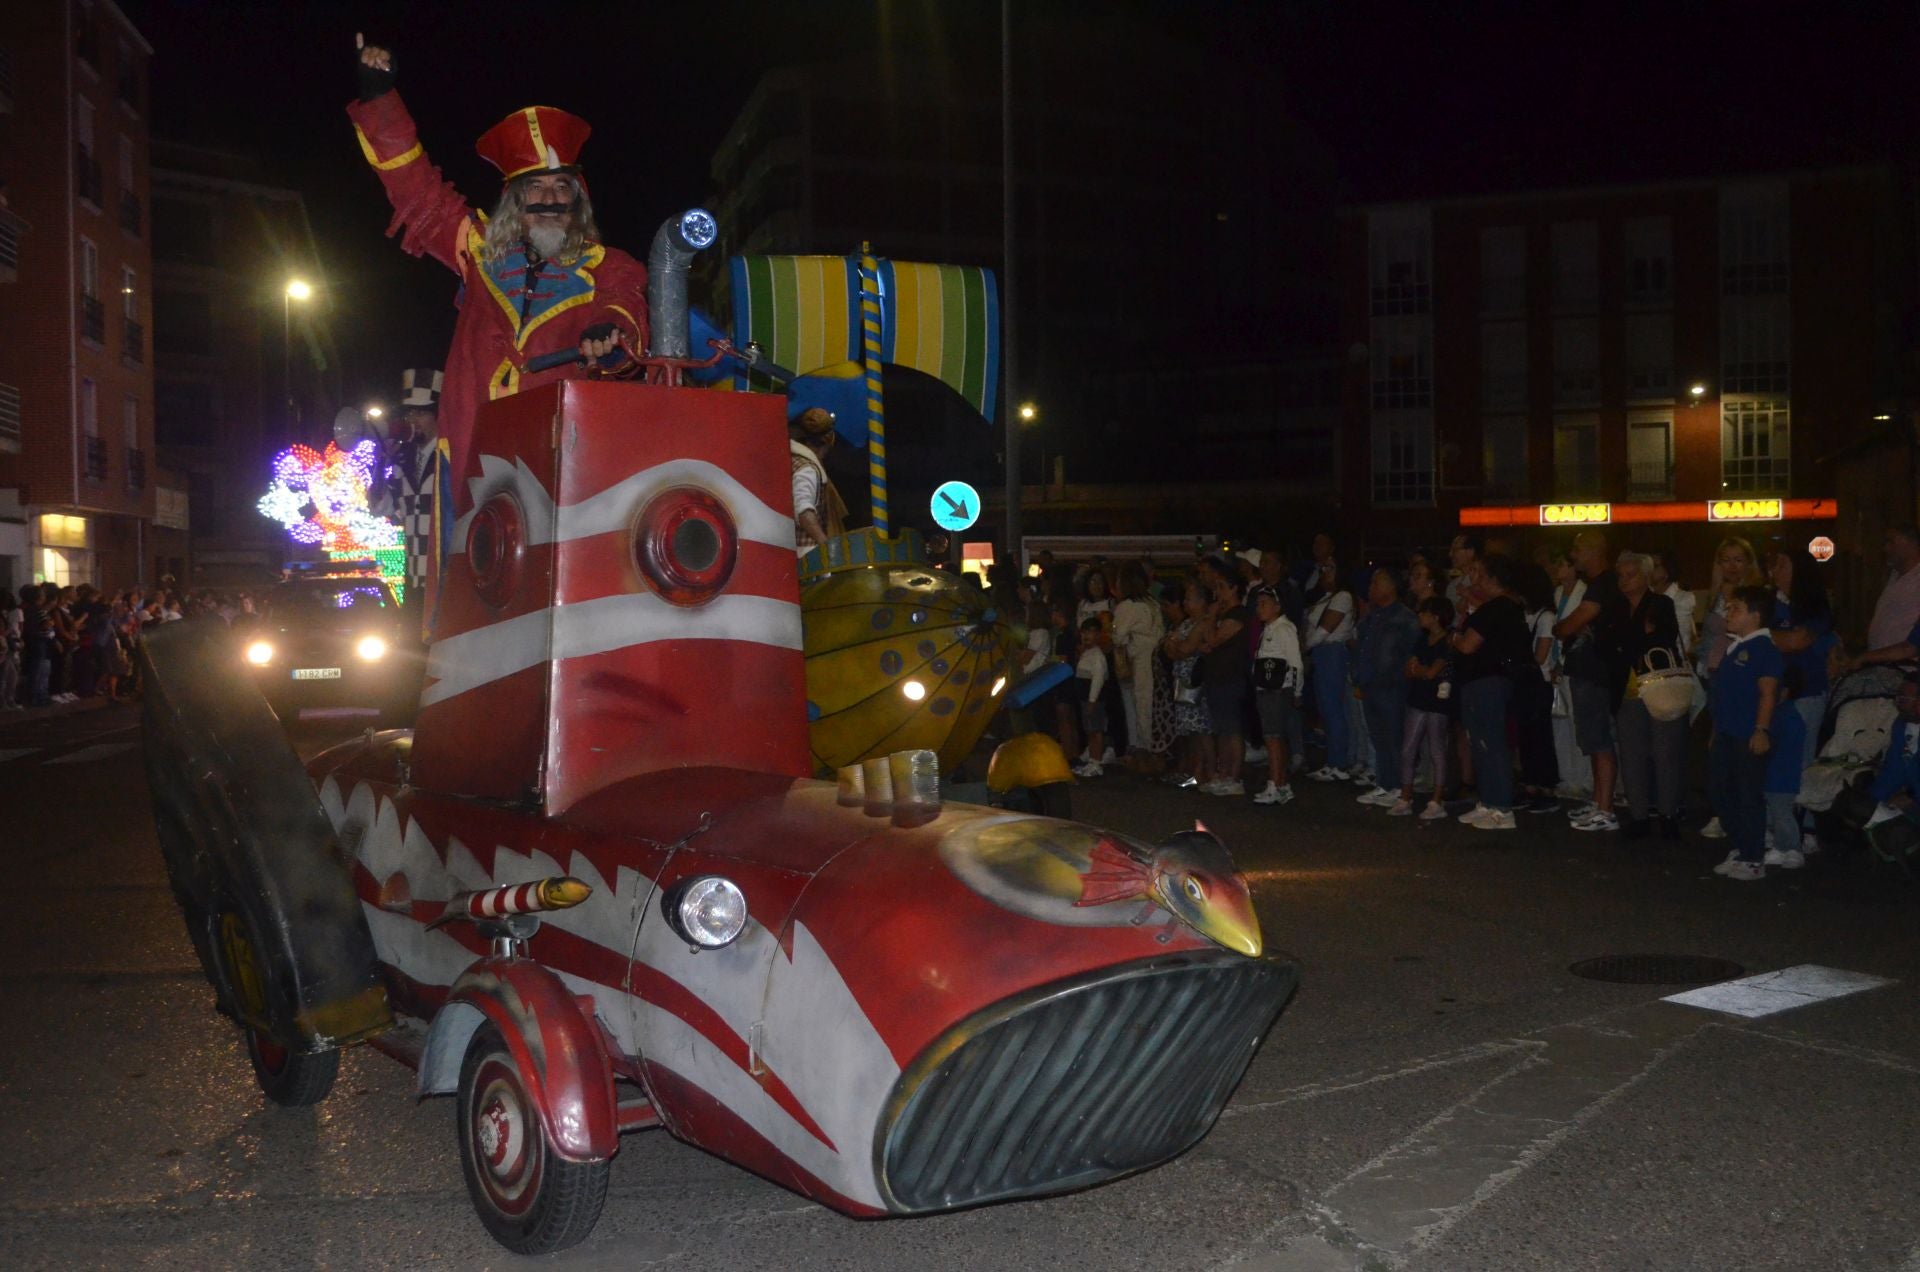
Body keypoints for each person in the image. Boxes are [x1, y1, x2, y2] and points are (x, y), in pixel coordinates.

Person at [346, 36, 649, 486]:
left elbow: (626, 310)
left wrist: (608, 329)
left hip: (558, 463)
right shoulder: (477, 248)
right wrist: (380, 98)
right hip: (469, 454)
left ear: (578, 201)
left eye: (561, 188)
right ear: (514, 202)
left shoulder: (609, 265)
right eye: (535, 189)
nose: (549, 200)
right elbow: (415, 186)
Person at [1555, 530, 1628, 832]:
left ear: (1592, 551)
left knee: (1599, 740)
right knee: (1594, 739)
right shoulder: (1604, 584)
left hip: (1595, 673)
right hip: (1595, 672)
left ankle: (1605, 809)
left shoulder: (1602, 585)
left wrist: (1564, 628)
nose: (1573, 555)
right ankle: (1600, 802)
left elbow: (1569, 625)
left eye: (1577, 549)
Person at [1451, 556, 1531, 830]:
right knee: (1480, 743)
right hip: (1483, 681)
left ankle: (1502, 807)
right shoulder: (1499, 608)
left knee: (1491, 743)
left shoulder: (1499, 607)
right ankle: (1489, 801)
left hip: (1488, 682)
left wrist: (1454, 638)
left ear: (1493, 579)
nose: (1474, 579)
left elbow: (1468, 645)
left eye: (1479, 574)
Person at [1709, 586, 1783, 880]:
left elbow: (1768, 693)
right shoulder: (1735, 647)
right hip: (1727, 732)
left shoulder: (1764, 649)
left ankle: (1753, 858)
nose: (1729, 613)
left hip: (1747, 734)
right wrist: (1716, 729)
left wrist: (1761, 729)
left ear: (1756, 616)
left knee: (1748, 795)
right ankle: (1742, 846)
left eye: (1736, 608)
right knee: (1720, 790)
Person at [1612, 551, 1687, 839]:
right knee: (1631, 755)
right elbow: (1610, 643)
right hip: (1627, 689)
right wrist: (1639, 635)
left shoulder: (1661, 603)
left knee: (1666, 752)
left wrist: (1632, 639)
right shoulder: (1616, 606)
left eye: (1631, 575)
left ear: (1645, 576)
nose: (1624, 581)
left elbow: (1662, 638)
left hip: (1659, 686)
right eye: (1621, 575)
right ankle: (1639, 816)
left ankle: (1668, 814)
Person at [1767, 548, 1838, 774]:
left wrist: (1758, 635)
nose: (1775, 571)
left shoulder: (1815, 607)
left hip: (1807, 693)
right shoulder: (1770, 604)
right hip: (1772, 693)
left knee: (1799, 760)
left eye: (1782, 566)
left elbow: (1797, 641)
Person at [1352, 569, 1420, 808]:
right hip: (1371, 685)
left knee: (1394, 738)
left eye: (1376, 582)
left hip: (1393, 687)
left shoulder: (1405, 618)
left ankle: (1400, 787)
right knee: (1379, 738)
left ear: (1391, 586)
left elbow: (1411, 653)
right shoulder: (1372, 617)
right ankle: (1386, 783)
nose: (1371, 587)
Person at [1392, 595, 1456, 820]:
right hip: (1419, 697)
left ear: (1435, 617)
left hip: (1437, 701)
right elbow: (1410, 670)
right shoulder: (1422, 639)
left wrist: (1420, 670)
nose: (1419, 616)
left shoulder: (1447, 642)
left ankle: (1436, 800)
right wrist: (1421, 671)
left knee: (1437, 749)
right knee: (1408, 748)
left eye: (1424, 612)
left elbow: (1430, 672)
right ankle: (1405, 796)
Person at [1194, 560, 1252, 796]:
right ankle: (1223, 774)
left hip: (1231, 678)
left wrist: (1211, 616)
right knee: (1222, 729)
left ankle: (1234, 777)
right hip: (1217, 678)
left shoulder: (1238, 615)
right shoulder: (1226, 615)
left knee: (1232, 729)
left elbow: (1214, 639)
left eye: (1222, 587)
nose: (1217, 593)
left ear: (1234, 588)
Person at [1512, 561, 1561, 813]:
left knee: (1540, 736)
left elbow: (1541, 656)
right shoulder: (1524, 614)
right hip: (1524, 683)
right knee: (1526, 737)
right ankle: (1531, 785)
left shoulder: (1546, 616)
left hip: (1538, 683)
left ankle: (1547, 787)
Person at [1303, 559, 1357, 781]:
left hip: (1332, 652)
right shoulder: (1327, 597)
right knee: (1326, 708)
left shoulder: (1343, 597)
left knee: (1333, 709)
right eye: (1323, 568)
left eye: (1330, 568)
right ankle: (1333, 760)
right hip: (1322, 653)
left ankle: (1339, 762)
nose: (1325, 572)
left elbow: (1325, 629)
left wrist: (1303, 646)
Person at [1249, 585, 1301, 806]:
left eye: (1264, 604)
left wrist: (1296, 690)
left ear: (1277, 606)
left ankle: (1275, 785)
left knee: (1273, 738)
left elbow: (1295, 663)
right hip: (1266, 689)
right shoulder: (1269, 629)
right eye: (1258, 604)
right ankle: (1281, 784)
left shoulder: (1284, 629)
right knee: (1274, 738)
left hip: (1277, 691)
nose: (1259, 608)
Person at [1162, 581, 1216, 789]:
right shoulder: (1187, 623)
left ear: (1202, 601)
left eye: (1189, 599)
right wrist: (1179, 647)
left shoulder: (1204, 623)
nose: (1185, 603)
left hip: (1196, 681)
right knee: (1190, 730)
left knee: (1202, 729)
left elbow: (1184, 648)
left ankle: (1209, 772)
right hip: (1182, 681)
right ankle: (1196, 770)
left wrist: (1179, 646)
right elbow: (1170, 648)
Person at [1112, 562, 1165, 764]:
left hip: (1141, 660)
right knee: (1153, 705)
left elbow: (1118, 636)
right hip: (1157, 659)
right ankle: (1156, 752)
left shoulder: (1128, 606)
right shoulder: (1152, 603)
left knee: (1143, 706)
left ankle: (1146, 754)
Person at [1762, 667, 1811, 870]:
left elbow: (1779, 746)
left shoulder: (1785, 715)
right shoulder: (1784, 713)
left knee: (1782, 813)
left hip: (1781, 775)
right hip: (1777, 774)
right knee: (1776, 811)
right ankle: (1781, 846)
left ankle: (1791, 848)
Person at [789, 408, 847, 553]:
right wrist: (825, 545)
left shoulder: (792, 461)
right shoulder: (807, 469)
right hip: (807, 553)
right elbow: (803, 511)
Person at [1867, 528, 1920, 655]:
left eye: (1891, 542)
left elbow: (1911, 647)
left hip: (1905, 663)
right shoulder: (1894, 575)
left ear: (1911, 544)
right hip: (1880, 661)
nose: (1886, 548)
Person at [1071, 617, 1111, 778]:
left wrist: (1092, 700)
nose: (1087, 636)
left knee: (1095, 730)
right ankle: (1091, 759)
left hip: (1094, 700)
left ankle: (1096, 762)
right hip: (1085, 698)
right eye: (1084, 632)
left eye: (1091, 633)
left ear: (1098, 635)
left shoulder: (1097, 656)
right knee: (1090, 729)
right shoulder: (1087, 653)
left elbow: (1098, 678)